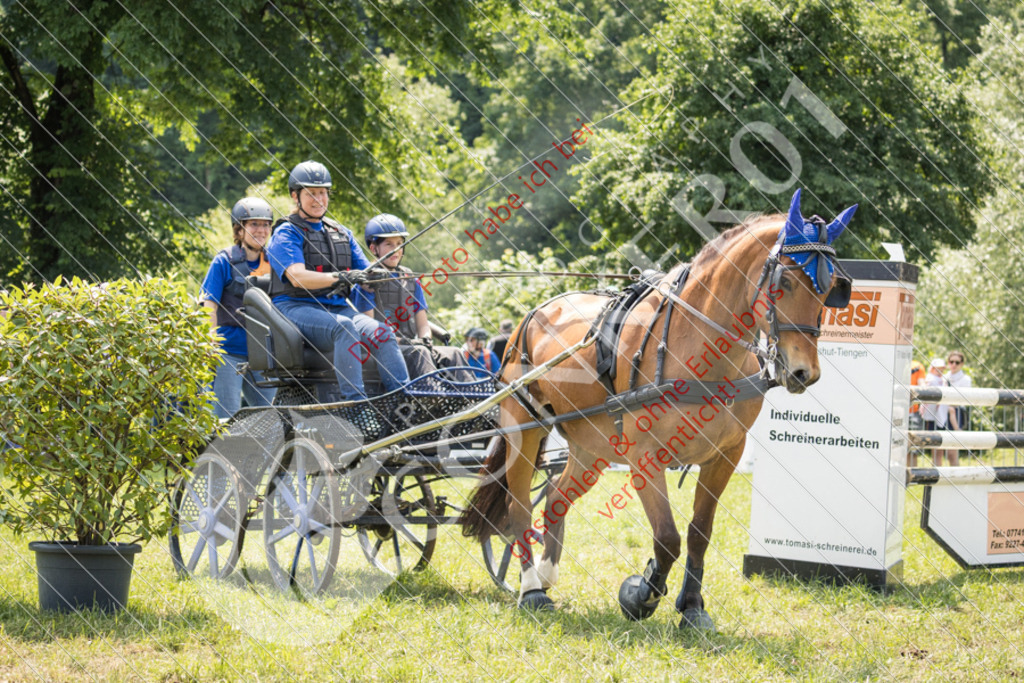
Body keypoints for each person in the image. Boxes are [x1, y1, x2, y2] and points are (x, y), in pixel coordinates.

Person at [265, 161, 409, 409]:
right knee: (343, 328)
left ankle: (403, 403)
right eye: (311, 193)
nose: (319, 198)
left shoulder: (342, 233)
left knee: (382, 333)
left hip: (337, 307)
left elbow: (366, 271)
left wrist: (379, 276)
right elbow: (298, 277)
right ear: (295, 196)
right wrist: (341, 277)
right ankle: (355, 406)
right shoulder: (285, 233)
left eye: (323, 192)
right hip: (295, 308)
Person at [201, 197, 278, 419]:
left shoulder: (274, 262)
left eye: (265, 224)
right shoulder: (223, 261)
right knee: (227, 419)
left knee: (271, 418)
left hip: (263, 355)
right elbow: (209, 305)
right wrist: (211, 342)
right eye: (254, 224)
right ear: (240, 229)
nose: (261, 230)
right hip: (229, 353)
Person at [352, 214, 436, 379]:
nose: (396, 250)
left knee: (453, 353)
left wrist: (425, 338)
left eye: (399, 244)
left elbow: (423, 325)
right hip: (385, 351)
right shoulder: (366, 282)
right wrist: (406, 343)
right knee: (420, 353)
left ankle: (477, 400)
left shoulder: (411, 280)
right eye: (388, 244)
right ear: (374, 248)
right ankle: (434, 399)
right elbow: (368, 332)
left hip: (414, 346)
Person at [921, 357, 959, 466]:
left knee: (942, 446)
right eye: (937, 369)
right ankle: (936, 471)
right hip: (931, 417)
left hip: (942, 417)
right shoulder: (930, 379)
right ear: (932, 368)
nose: (940, 372)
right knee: (936, 447)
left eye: (941, 369)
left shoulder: (943, 380)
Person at [945, 350, 973, 462]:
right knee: (940, 450)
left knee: (952, 452)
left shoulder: (966, 380)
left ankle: (954, 477)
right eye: (951, 361)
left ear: (961, 364)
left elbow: (963, 399)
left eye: (957, 362)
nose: (953, 365)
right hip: (942, 413)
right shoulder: (944, 376)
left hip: (956, 413)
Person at [907, 359, 926, 468]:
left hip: (912, 411)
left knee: (913, 448)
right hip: (897, 411)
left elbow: (922, 384)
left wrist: (923, 402)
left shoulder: (917, 366)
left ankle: (912, 478)